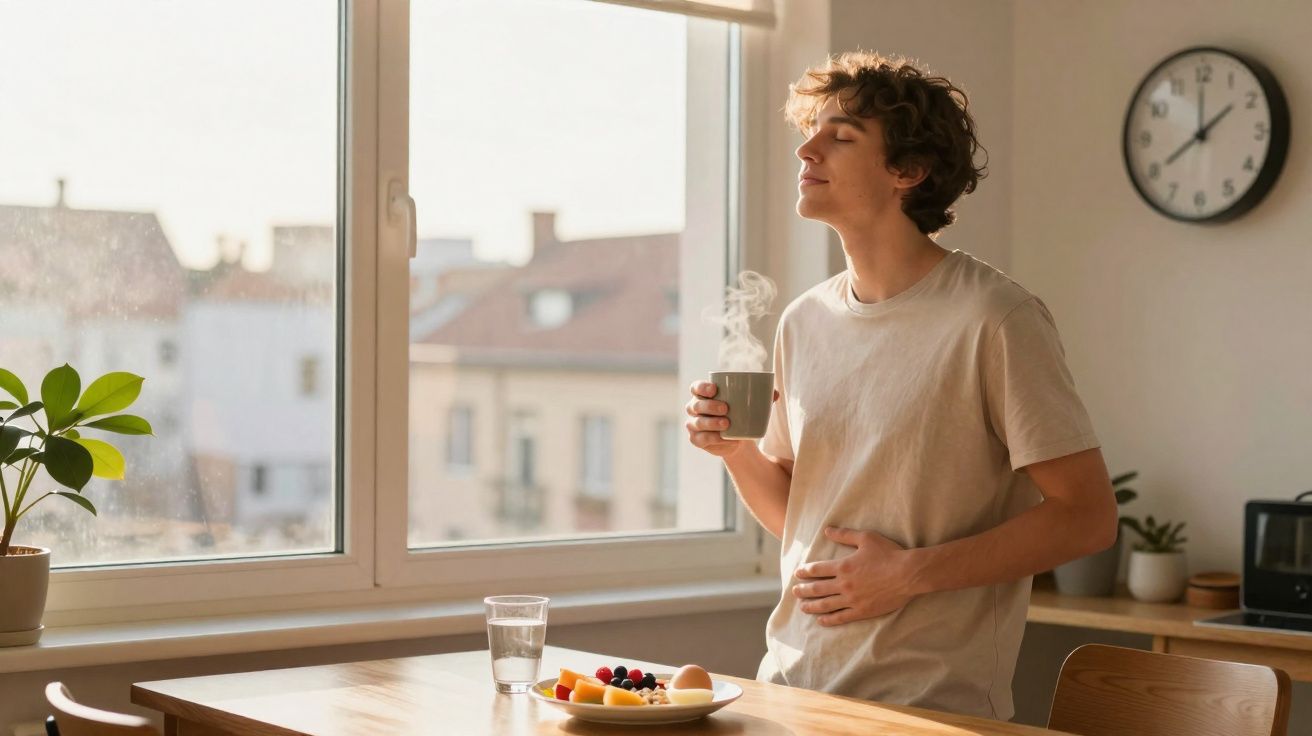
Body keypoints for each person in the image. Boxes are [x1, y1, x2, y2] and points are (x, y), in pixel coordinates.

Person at [684, 51, 1117, 721]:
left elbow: (1087, 517)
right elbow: (804, 523)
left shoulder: (995, 318)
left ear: (907, 172)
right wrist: (736, 452)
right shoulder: (804, 321)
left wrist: (908, 574)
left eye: (841, 136)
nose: (807, 148)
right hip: (792, 692)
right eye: (812, 130)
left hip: (931, 710)